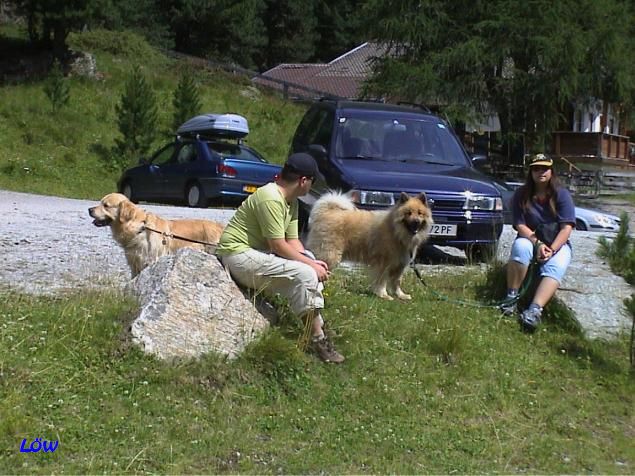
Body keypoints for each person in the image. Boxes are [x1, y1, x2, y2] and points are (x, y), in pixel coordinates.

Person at [215, 152, 345, 363]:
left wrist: (312, 261)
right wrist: (310, 266)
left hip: (256, 253)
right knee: (305, 272)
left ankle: (315, 325)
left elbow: (293, 240)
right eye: (312, 181)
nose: (311, 186)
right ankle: (317, 338)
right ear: (303, 180)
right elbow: (277, 244)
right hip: (236, 254)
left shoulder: (289, 201)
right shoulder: (271, 197)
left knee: (308, 262)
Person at [501, 153, 576, 332]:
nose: (540, 172)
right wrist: (538, 244)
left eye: (544, 168)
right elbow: (519, 224)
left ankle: (534, 309)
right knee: (520, 247)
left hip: (556, 241)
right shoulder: (521, 194)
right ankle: (511, 296)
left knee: (558, 264)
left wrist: (551, 249)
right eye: (536, 169)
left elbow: (566, 228)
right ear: (530, 172)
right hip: (530, 238)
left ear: (551, 171)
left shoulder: (561, 194)